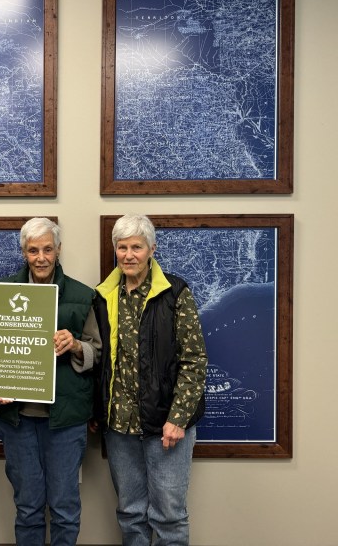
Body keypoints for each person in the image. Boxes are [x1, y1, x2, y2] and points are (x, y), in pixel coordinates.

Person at [93, 214, 208, 546]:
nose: (129, 255)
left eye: (137, 247)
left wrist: (178, 417)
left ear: (151, 249)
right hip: (119, 428)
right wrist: (97, 410)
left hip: (166, 427)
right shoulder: (103, 296)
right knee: (130, 513)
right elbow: (102, 360)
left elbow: (194, 359)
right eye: (122, 247)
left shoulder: (175, 293)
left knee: (169, 516)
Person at [0, 217, 102, 546]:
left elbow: (97, 352)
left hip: (65, 421)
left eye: (48, 249)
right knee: (27, 507)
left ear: (59, 251)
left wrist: (76, 345)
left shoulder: (83, 296)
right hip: (18, 419)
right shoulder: (3, 293)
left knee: (65, 507)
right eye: (33, 250)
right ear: (24, 252)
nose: (41, 257)